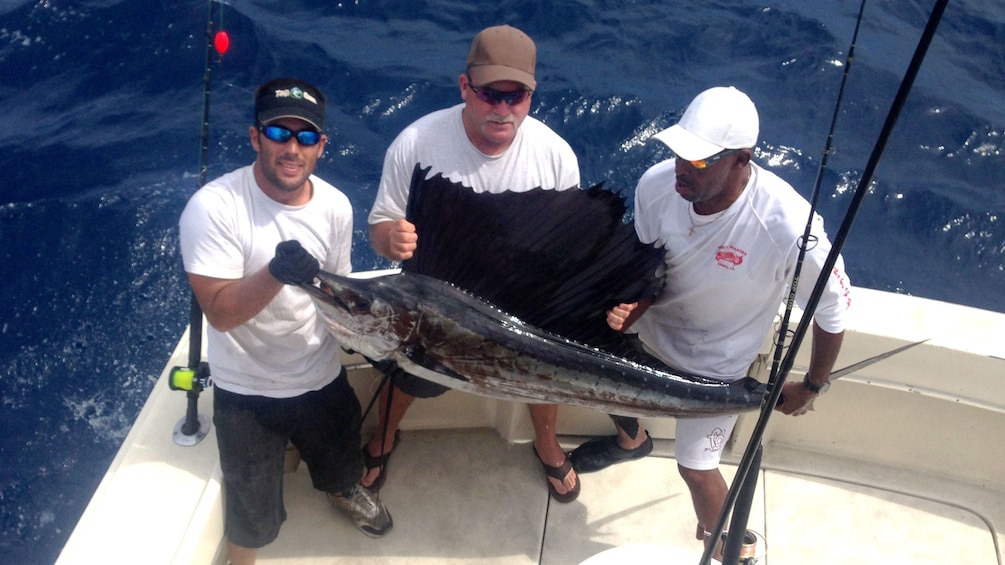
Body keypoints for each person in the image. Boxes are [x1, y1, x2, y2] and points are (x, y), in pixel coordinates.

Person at [591, 85, 851, 550]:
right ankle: (633, 436)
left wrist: (811, 385)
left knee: (695, 467)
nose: (681, 169)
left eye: (700, 160)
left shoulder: (789, 226)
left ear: (741, 159)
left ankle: (729, 544)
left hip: (716, 368)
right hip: (647, 337)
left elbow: (833, 306)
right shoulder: (656, 184)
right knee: (596, 374)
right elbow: (650, 264)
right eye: (679, 153)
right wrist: (638, 307)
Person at [364, 25, 585, 502]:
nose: (503, 109)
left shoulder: (556, 156)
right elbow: (380, 225)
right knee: (411, 373)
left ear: (531, 94)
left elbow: (565, 249)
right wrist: (390, 240)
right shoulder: (416, 142)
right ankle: (383, 436)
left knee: (549, 362)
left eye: (517, 96)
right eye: (490, 94)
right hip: (439, 300)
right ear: (465, 87)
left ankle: (546, 442)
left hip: (521, 298)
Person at [178, 78, 392, 564]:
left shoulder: (335, 205)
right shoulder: (213, 208)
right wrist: (275, 273)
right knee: (251, 518)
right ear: (256, 137)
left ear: (321, 147)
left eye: (306, 137)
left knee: (342, 462)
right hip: (245, 389)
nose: (291, 148)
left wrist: (368, 339)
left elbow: (336, 292)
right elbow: (221, 312)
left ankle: (343, 491)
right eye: (278, 134)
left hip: (320, 375)